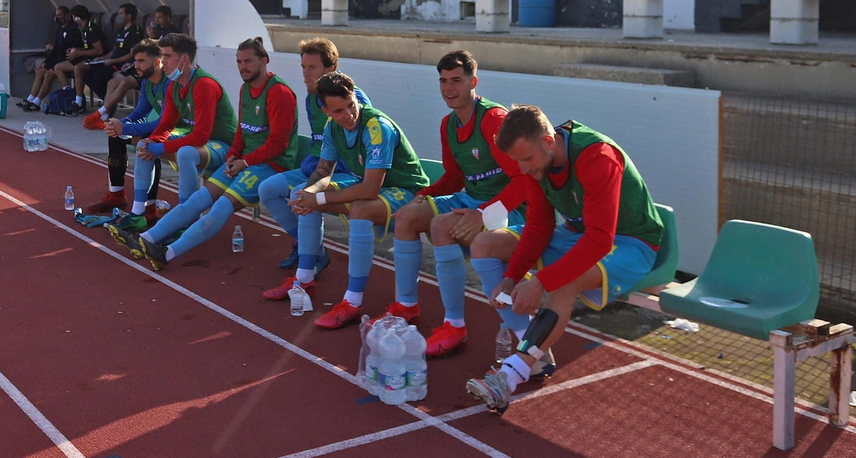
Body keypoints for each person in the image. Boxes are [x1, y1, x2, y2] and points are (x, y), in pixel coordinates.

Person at [464, 106, 666, 412]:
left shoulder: (597, 156)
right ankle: (533, 349)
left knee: (563, 282)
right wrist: (511, 277)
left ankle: (509, 377)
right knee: (484, 244)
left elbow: (600, 240)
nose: (523, 170)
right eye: (517, 162)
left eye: (526, 159)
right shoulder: (538, 161)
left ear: (548, 141)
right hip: (576, 233)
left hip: (630, 243)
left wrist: (540, 283)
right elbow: (539, 225)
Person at [381, 51, 529, 357]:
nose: (449, 88)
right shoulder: (448, 124)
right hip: (471, 199)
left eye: (457, 81)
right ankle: (406, 306)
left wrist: (483, 213)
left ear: (473, 82)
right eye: (443, 81)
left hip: (508, 208)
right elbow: (454, 176)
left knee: (441, 226)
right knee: (407, 216)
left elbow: (525, 181)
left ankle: (455, 325)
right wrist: (425, 194)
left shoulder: (493, 119)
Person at [262, 70, 430, 330]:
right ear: (326, 111)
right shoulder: (332, 127)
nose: (349, 114)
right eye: (339, 111)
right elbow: (322, 171)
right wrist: (309, 195)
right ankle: (304, 279)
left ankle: (352, 302)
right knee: (301, 194)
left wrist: (318, 198)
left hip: (406, 190)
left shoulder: (376, 127)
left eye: (351, 105)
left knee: (359, 209)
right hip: (370, 185)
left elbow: (370, 189)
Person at [122, 38, 298, 271]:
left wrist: (244, 161)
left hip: (271, 165)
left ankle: (168, 253)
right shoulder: (246, 88)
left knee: (221, 207)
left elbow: (278, 143)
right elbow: (242, 131)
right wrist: (234, 155)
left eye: (248, 61)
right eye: (239, 62)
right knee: (198, 200)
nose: (242, 67)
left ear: (264, 61)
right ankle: (146, 238)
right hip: (244, 160)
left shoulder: (278, 92)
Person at [256, 38, 367, 271]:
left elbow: (363, 149)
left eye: (312, 68)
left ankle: (307, 269)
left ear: (331, 68)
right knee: (267, 189)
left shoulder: (353, 100)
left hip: (346, 173)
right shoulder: (311, 98)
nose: (306, 74)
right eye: (303, 67)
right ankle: (311, 248)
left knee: (302, 194)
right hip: (318, 167)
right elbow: (321, 142)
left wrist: (315, 184)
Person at [133, 33, 237, 204]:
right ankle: (139, 210)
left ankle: (187, 212)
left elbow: (201, 136)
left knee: (186, 153)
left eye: (168, 56)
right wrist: (153, 141)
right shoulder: (174, 85)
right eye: (162, 55)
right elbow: (166, 124)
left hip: (223, 144)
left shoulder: (204, 85)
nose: (163, 61)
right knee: (143, 146)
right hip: (202, 142)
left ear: (184, 59)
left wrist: (161, 147)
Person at [94, 41, 170, 224]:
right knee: (116, 136)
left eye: (141, 61)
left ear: (157, 62)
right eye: (135, 61)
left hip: (176, 131)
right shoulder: (147, 83)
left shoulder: (170, 84)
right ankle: (117, 194)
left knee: (148, 142)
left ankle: (150, 207)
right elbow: (139, 113)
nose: (136, 65)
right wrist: (119, 124)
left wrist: (125, 128)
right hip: (163, 129)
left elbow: (163, 123)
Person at [81, 3, 143, 130]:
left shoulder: (135, 31)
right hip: (112, 62)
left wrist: (112, 61)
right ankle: (106, 110)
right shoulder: (120, 31)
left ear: (129, 15)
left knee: (102, 77)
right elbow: (115, 50)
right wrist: (104, 58)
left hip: (122, 65)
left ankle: (105, 112)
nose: (118, 16)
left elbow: (132, 54)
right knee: (87, 74)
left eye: (121, 13)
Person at [19, 5, 81, 111]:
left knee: (48, 74)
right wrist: (46, 62)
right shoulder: (59, 30)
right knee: (40, 71)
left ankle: (37, 102)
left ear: (67, 16)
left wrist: (53, 49)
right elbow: (56, 50)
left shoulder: (73, 30)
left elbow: (68, 48)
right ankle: (30, 99)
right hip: (58, 59)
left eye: (60, 16)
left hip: (68, 61)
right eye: (56, 16)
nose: (57, 19)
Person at [51, 5, 106, 115]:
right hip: (87, 58)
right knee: (58, 67)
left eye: (73, 16)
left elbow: (99, 50)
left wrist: (79, 53)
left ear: (77, 17)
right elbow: (88, 48)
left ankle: (78, 102)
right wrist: (76, 50)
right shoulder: (83, 29)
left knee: (78, 68)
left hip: (98, 59)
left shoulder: (92, 29)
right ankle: (68, 93)